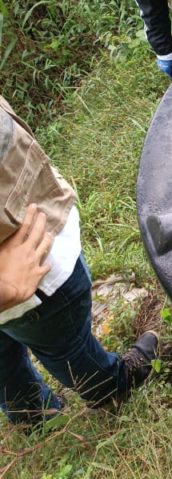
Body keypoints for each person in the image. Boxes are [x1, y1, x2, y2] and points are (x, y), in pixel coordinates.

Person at [0, 96, 158, 425]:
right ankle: (110, 387)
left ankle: (32, 413)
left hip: (26, 257)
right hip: (34, 275)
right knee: (69, 346)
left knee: (3, 362)